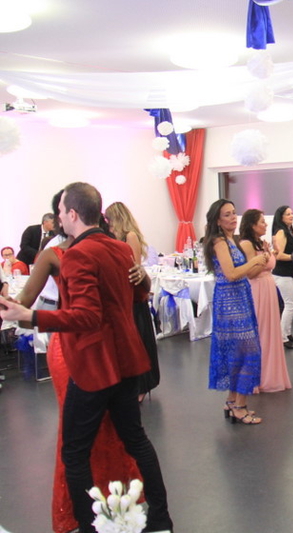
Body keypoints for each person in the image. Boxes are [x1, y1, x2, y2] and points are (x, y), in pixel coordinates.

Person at [0, 182, 174, 533]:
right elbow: (135, 297)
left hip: (94, 364)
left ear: (72, 214)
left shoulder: (79, 254)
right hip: (125, 361)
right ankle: (160, 519)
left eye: (60, 212)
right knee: (136, 440)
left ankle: (88, 526)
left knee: (74, 452)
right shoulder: (119, 248)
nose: (57, 218)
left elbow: (87, 317)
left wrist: (30, 317)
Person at [204, 199, 268, 425]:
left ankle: (233, 401)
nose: (233, 218)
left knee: (239, 352)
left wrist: (259, 261)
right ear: (217, 220)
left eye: (234, 213)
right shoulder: (220, 241)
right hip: (230, 301)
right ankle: (239, 406)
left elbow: (242, 272)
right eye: (227, 214)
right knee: (248, 351)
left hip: (240, 297)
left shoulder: (232, 239)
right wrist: (255, 261)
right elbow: (231, 274)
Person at [105, 201, 160, 402]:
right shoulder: (114, 237)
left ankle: (142, 385)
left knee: (139, 340)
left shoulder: (130, 236)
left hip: (133, 296)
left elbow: (134, 267)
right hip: (121, 296)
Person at [239, 209, 292, 393]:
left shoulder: (261, 243)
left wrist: (270, 253)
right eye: (262, 222)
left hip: (268, 288)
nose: (266, 224)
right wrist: (264, 258)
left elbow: (268, 265)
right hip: (257, 290)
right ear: (252, 225)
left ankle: (270, 375)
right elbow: (250, 273)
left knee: (270, 331)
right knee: (260, 332)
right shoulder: (246, 244)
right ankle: (257, 378)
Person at [272, 205, 293, 349]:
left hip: (288, 273)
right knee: (290, 304)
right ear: (281, 217)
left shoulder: (289, 231)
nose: (291, 216)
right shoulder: (281, 232)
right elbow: (279, 255)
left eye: (292, 213)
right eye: (288, 214)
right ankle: (282, 337)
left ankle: (287, 332)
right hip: (281, 273)